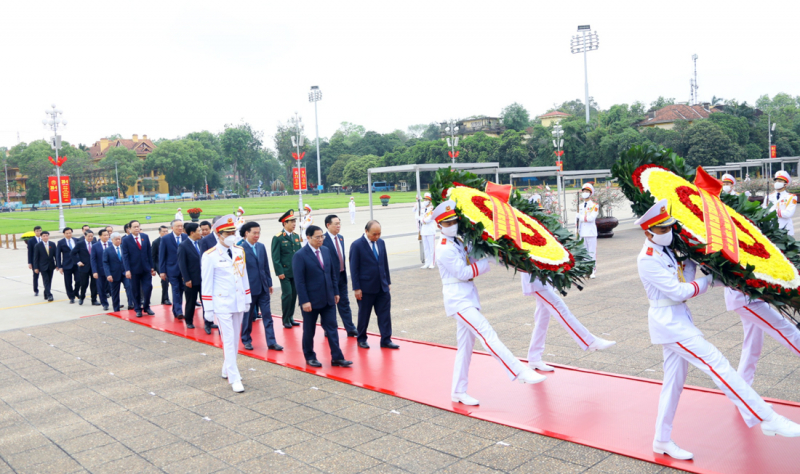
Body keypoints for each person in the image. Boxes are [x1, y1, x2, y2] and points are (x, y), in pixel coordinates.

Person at [635, 199, 800, 461]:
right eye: (662, 230)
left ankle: (661, 440)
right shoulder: (647, 259)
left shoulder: (666, 250)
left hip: (678, 319)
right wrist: (710, 280)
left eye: (669, 228)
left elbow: (686, 276)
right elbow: (679, 291)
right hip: (669, 323)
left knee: (673, 384)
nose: (668, 233)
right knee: (718, 364)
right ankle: (767, 417)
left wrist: (702, 262)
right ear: (648, 232)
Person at [432, 200, 545, 406]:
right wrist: (488, 261)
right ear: (439, 226)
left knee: (465, 348)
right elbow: (463, 272)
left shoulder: (456, 241)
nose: (452, 226)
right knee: (487, 332)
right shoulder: (443, 248)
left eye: (454, 221)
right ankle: (518, 371)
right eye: (447, 224)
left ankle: (458, 391)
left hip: (467, 297)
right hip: (458, 300)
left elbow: (470, 261)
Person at [520, 273, 615, 371]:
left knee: (542, 319)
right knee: (559, 307)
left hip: (543, 278)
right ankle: (590, 341)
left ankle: (534, 358)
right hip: (535, 280)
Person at [201, 215, 250, 393]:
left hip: (238, 302)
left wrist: (247, 299)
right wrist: (208, 309)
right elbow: (206, 283)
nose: (232, 235)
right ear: (218, 234)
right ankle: (234, 377)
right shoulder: (210, 256)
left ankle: (226, 368)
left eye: (233, 232)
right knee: (228, 340)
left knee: (235, 339)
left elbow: (243, 276)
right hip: (221, 303)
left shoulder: (239, 251)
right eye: (228, 233)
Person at [294, 225, 352, 368]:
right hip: (311, 301)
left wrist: (336, 292)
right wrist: (304, 301)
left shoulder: (325, 251)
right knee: (309, 330)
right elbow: (299, 281)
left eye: (322, 237)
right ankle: (309, 356)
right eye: (317, 237)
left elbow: (332, 273)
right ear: (308, 238)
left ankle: (337, 357)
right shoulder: (300, 255)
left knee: (332, 328)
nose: (321, 239)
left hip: (328, 298)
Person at [350, 220, 398, 349]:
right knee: (364, 315)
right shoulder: (357, 245)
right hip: (365, 288)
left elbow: (384, 263)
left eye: (379, 234)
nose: (377, 237)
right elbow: (354, 269)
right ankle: (361, 339)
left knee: (384, 315)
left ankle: (386, 339)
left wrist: (387, 281)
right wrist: (356, 288)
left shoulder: (381, 243)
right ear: (366, 231)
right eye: (374, 234)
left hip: (382, 287)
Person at [239, 222, 282, 351]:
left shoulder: (261, 247)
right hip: (249, 289)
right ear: (247, 233)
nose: (257, 235)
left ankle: (271, 341)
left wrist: (269, 283)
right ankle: (246, 339)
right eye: (254, 233)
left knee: (267, 316)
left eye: (259, 233)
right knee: (248, 317)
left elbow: (265, 267)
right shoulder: (239, 249)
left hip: (263, 287)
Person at [323, 215, 358, 337]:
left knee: (344, 303)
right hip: (330, 278)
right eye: (336, 224)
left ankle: (350, 328)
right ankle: (329, 328)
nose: (338, 226)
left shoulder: (341, 238)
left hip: (342, 275)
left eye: (339, 223)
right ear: (328, 225)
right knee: (329, 304)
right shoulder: (323, 239)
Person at [272, 210, 302, 328]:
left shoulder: (295, 236)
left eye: (295, 222)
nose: (294, 224)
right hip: (284, 273)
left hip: (295, 272)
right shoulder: (278, 238)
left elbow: (299, 254)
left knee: (294, 295)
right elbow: (275, 257)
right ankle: (285, 319)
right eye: (291, 222)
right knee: (287, 295)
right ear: (284, 223)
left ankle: (290, 317)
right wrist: (279, 272)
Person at [121, 220, 156, 318]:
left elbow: (149, 252)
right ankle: (138, 309)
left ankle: (147, 306)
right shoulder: (126, 240)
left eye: (138, 226)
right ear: (129, 229)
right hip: (133, 269)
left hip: (145, 268)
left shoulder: (145, 237)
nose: (137, 228)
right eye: (134, 227)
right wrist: (127, 269)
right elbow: (125, 256)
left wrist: (152, 266)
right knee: (135, 290)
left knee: (148, 287)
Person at [198, 216, 223, 334]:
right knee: (208, 299)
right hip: (211, 275)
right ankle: (207, 322)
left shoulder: (226, 237)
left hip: (223, 276)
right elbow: (202, 259)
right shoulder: (205, 240)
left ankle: (220, 322)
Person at [178, 223, 203, 329]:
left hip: (203, 279)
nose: (201, 233)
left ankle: (208, 321)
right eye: (199, 231)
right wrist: (187, 279)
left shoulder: (201, 243)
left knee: (206, 301)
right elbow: (182, 264)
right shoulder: (183, 245)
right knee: (191, 302)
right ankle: (189, 320)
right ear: (192, 233)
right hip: (191, 280)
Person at [160, 219, 186, 319]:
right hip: (172, 269)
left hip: (183, 270)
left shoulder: (185, 237)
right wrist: (162, 271)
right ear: (172, 228)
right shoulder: (166, 238)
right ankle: (179, 311)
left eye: (181, 226)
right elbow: (162, 255)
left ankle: (176, 309)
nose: (180, 228)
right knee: (175, 289)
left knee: (181, 289)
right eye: (178, 226)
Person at [762, 170, 797, 236]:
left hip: (785, 230)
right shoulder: (768, 196)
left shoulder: (791, 197)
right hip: (771, 229)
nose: (777, 183)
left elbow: (788, 214)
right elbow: (764, 211)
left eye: (780, 181)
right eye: (776, 181)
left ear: (785, 184)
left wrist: (773, 212)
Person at [71, 230, 99, 306]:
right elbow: (72, 253)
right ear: (85, 236)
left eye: (92, 236)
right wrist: (78, 262)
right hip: (84, 267)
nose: (90, 238)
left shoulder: (95, 244)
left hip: (93, 267)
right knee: (84, 284)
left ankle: (94, 300)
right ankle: (81, 298)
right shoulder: (80, 244)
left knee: (94, 284)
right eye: (88, 236)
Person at [577, 182, 599, 279]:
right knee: (584, 253)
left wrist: (581, 217)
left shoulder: (594, 205)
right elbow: (576, 220)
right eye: (584, 191)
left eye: (586, 191)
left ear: (590, 193)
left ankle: (592, 270)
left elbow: (591, 218)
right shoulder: (580, 205)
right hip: (582, 232)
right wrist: (577, 230)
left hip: (590, 232)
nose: (584, 193)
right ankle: (586, 270)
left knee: (592, 252)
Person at [55, 227, 79, 304]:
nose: (69, 234)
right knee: (68, 282)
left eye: (70, 233)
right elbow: (58, 255)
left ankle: (76, 292)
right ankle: (71, 297)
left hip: (77, 264)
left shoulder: (77, 240)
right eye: (67, 233)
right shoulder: (61, 242)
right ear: (64, 234)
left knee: (79, 280)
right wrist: (60, 266)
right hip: (66, 265)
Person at [32, 231, 57, 302]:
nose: (45, 237)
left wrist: (57, 265)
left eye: (47, 236)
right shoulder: (38, 245)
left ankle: (46, 292)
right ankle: (49, 295)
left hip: (51, 265)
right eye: (44, 236)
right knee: (45, 280)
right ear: (41, 237)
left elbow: (56, 255)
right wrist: (36, 267)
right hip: (42, 266)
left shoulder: (52, 244)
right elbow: (36, 258)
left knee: (49, 280)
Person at [103, 233, 125, 312]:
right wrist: (108, 274)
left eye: (119, 239)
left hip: (125, 273)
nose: (118, 241)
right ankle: (116, 308)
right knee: (115, 292)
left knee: (130, 288)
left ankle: (131, 305)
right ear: (112, 240)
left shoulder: (124, 248)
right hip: (114, 274)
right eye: (116, 239)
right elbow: (105, 263)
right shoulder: (107, 250)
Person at [91, 229, 112, 311]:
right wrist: (95, 271)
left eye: (107, 235)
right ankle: (105, 304)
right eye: (104, 235)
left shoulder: (111, 244)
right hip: (100, 271)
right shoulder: (95, 246)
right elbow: (93, 259)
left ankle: (115, 302)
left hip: (111, 270)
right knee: (101, 288)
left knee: (113, 288)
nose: (106, 237)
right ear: (100, 236)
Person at [152, 226, 172, 305]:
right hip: (159, 264)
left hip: (169, 264)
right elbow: (153, 256)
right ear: (159, 232)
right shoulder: (156, 242)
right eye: (163, 231)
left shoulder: (170, 240)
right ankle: (165, 298)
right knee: (165, 280)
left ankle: (164, 299)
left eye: (166, 231)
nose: (165, 233)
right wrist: (153, 268)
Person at [416, 193, 437, 269]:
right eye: (424, 199)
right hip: (423, 230)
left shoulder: (432, 208)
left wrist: (422, 220)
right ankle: (427, 262)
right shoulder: (422, 209)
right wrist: (422, 219)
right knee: (426, 248)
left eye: (426, 199)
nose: (425, 201)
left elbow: (429, 219)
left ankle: (432, 263)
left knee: (432, 248)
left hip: (430, 230)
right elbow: (418, 217)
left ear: (430, 201)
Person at [26, 226, 43, 296]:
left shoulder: (43, 239)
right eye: (37, 231)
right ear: (34, 232)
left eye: (40, 231)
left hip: (43, 261)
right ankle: (36, 290)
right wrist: (30, 262)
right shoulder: (31, 241)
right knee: (35, 276)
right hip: (35, 261)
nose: (39, 232)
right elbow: (30, 252)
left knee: (45, 276)